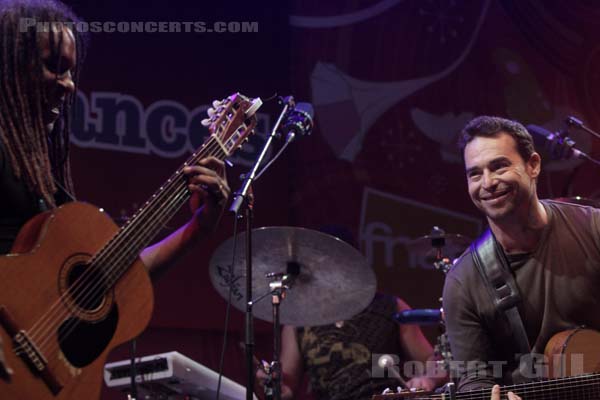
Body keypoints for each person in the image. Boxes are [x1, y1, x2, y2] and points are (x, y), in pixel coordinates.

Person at [0, 0, 229, 377]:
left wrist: (197, 229)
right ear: (10, 67)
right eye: (55, 67)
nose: (69, 85)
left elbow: (109, 277)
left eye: (72, 71)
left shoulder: (45, 184)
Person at [443, 116, 600, 399]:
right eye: (475, 174)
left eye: (499, 166)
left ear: (533, 165)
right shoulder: (462, 282)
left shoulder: (594, 229)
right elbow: (474, 379)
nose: (488, 183)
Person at [255, 226, 446, 400]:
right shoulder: (299, 324)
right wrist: (273, 385)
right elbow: (286, 390)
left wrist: (427, 379)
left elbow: (434, 362)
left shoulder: (390, 307)